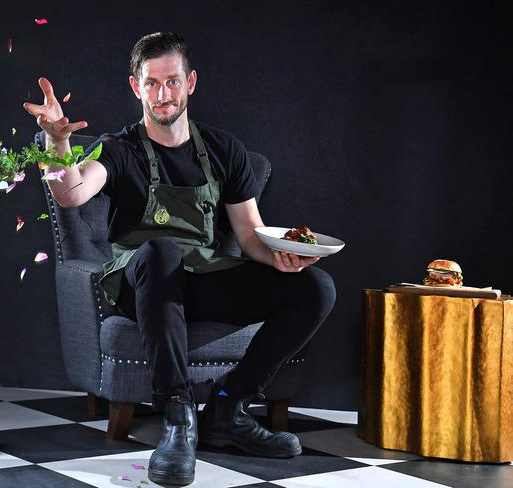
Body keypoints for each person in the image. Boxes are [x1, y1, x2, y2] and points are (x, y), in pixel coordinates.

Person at [24, 32, 336, 486]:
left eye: (172, 82)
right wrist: (56, 142)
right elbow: (70, 194)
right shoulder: (119, 148)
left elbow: (249, 236)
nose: (163, 94)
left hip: (205, 279)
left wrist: (281, 260)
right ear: (136, 88)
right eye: (152, 84)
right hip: (141, 282)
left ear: (189, 82)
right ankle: (177, 417)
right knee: (160, 249)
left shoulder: (225, 151)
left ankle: (228, 409)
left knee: (315, 287)